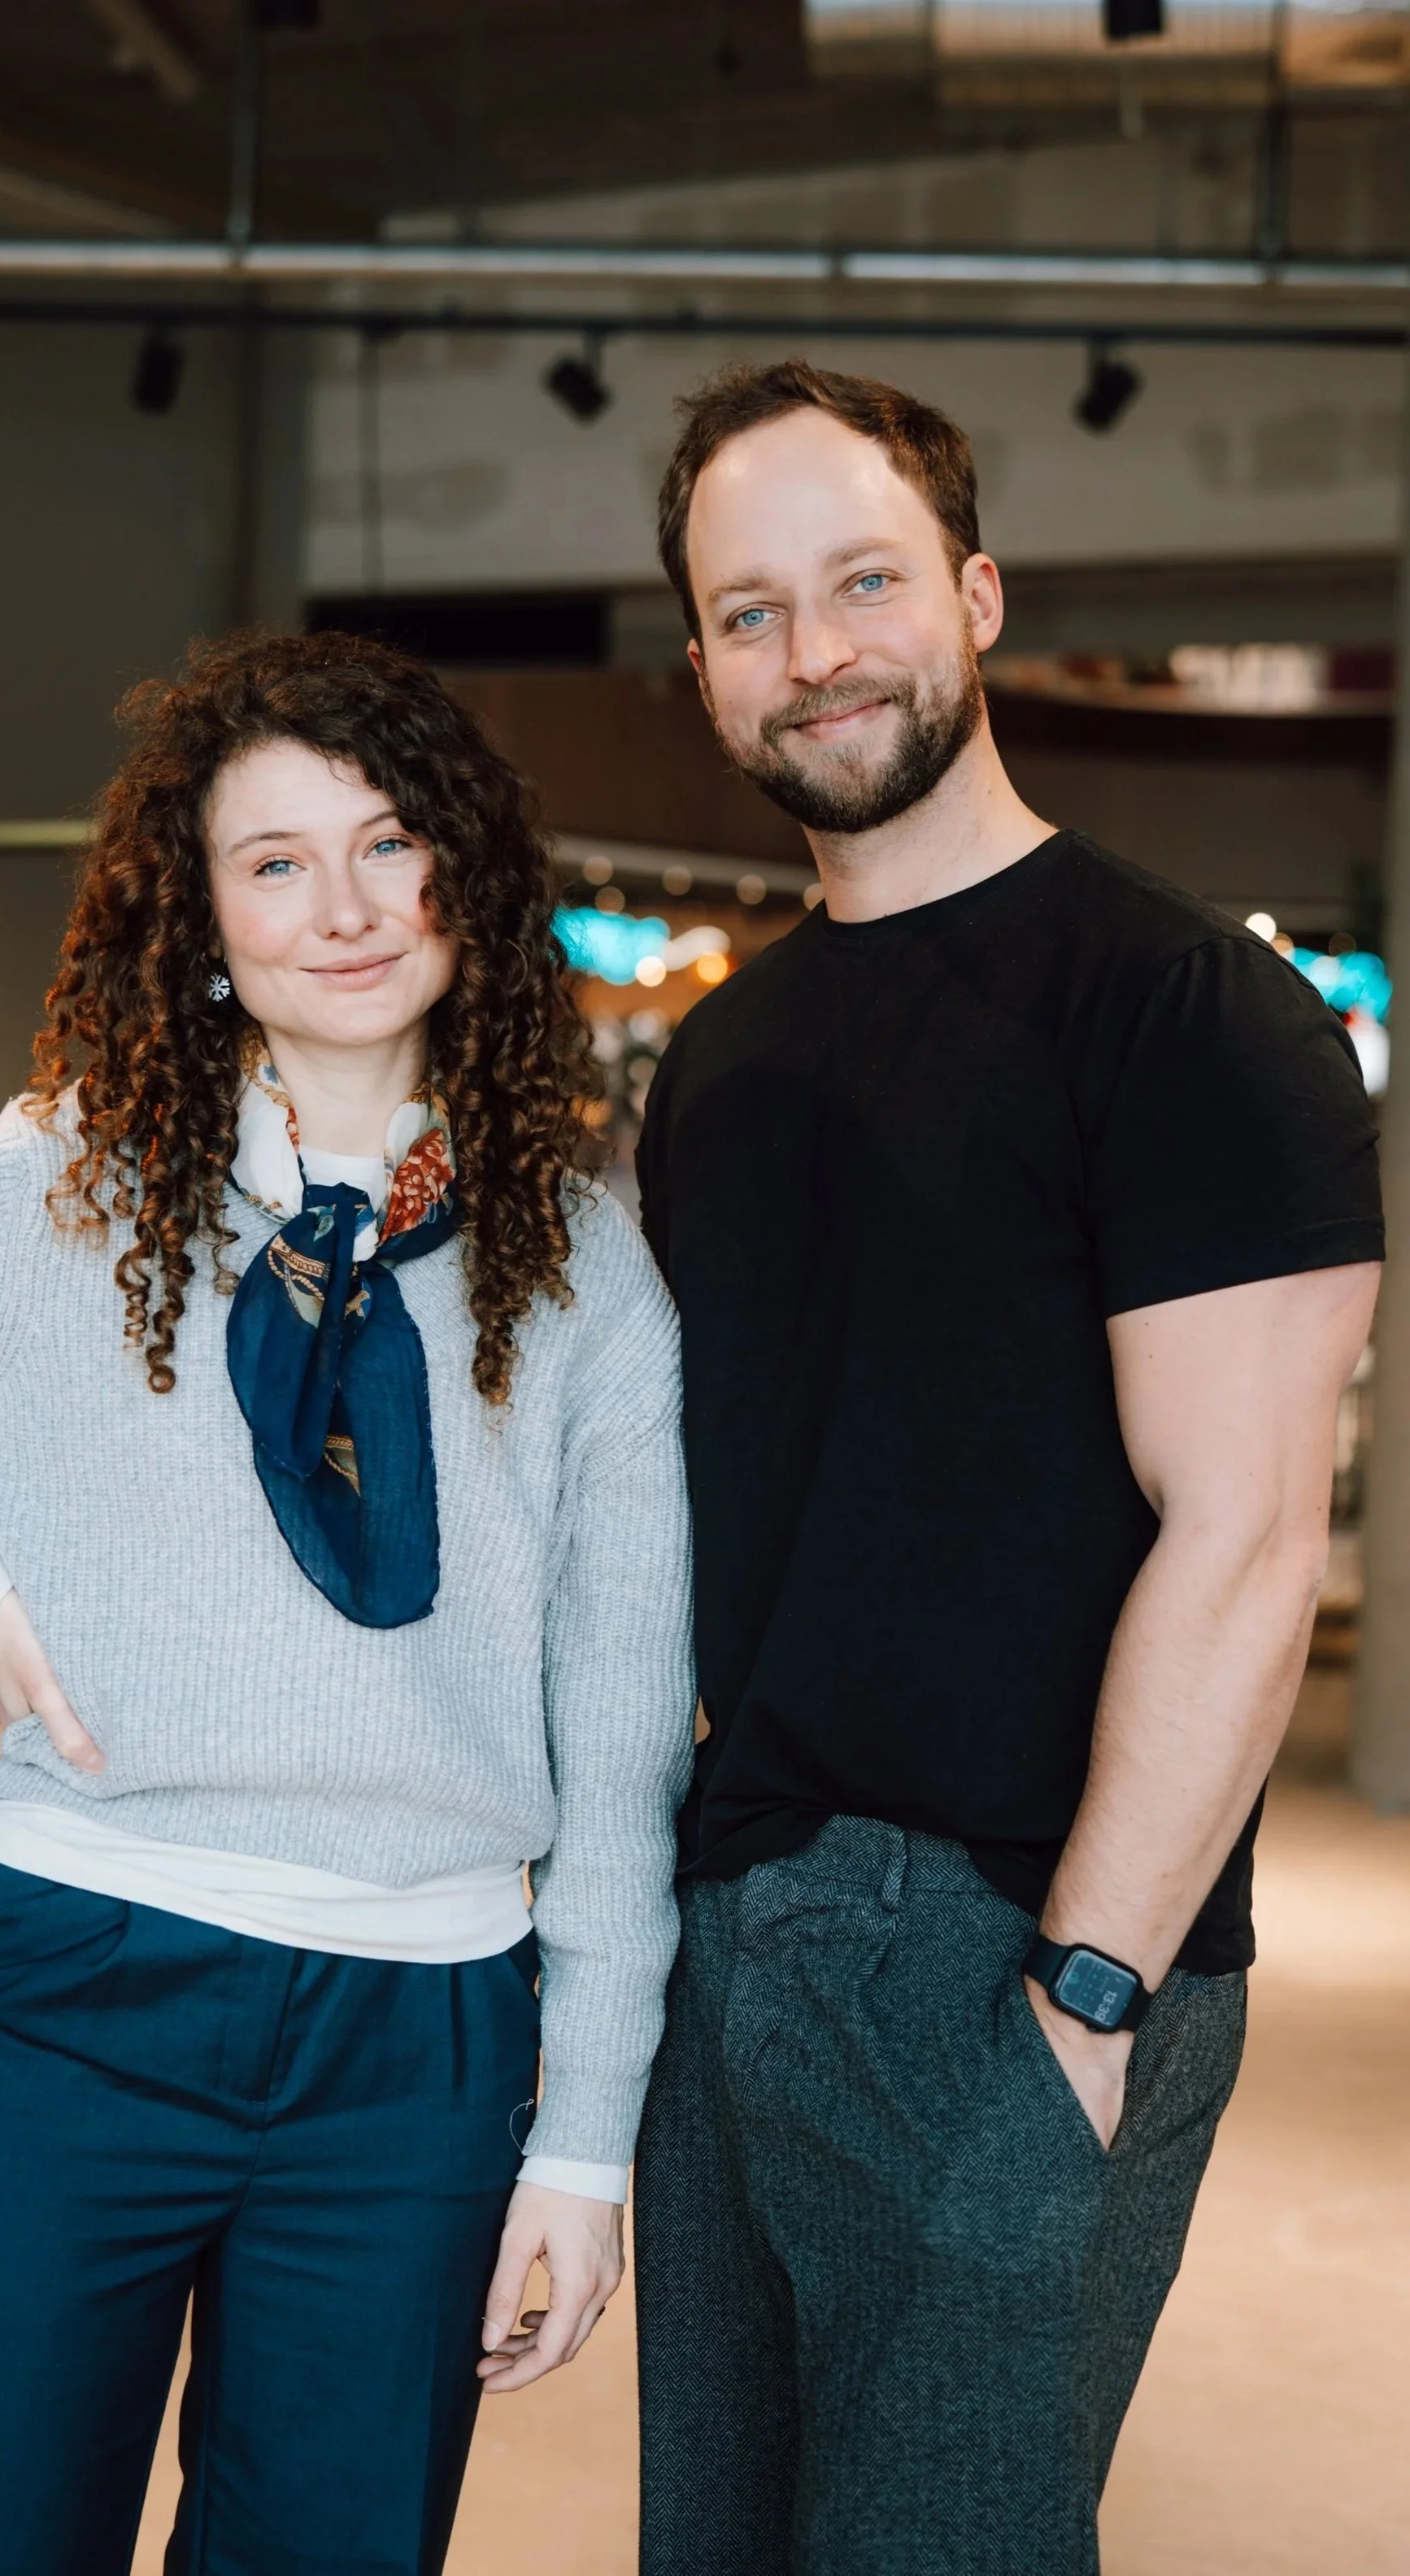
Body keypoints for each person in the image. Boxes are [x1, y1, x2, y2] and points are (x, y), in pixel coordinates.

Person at [0, 630, 694, 2576]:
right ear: (199, 914)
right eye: (272, 860)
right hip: (70, 1987)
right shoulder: (50, 1189)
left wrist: (581, 2138)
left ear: (461, 882)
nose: (341, 907)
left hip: (427, 2047)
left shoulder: (582, 1271)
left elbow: (624, 1732)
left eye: (388, 843)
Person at [631, 358, 1382, 2576]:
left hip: (1014, 1939)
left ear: (970, 596)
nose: (812, 649)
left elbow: (1244, 1539)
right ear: (699, 669)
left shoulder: (1179, 1012)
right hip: (733, 1927)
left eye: (859, 581)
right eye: (747, 611)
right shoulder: (724, 1050)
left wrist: (1081, 2003)